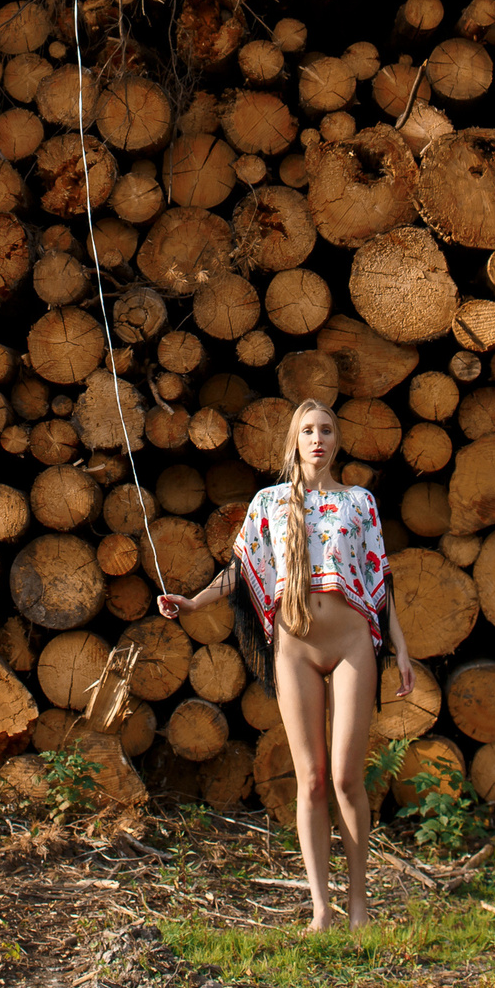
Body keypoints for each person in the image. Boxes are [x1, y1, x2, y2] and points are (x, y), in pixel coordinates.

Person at [157, 399, 412, 931]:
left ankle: (360, 904)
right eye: (308, 431)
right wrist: (194, 602)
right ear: (294, 441)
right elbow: (242, 569)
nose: (317, 439)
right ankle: (321, 908)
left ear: (337, 441)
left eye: (326, 430)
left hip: (351, 647)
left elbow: (379, 582)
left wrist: (402, 649)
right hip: (295, 649)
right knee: (312, 779)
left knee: (346, 777)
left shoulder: (360, 502)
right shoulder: (269, 502)